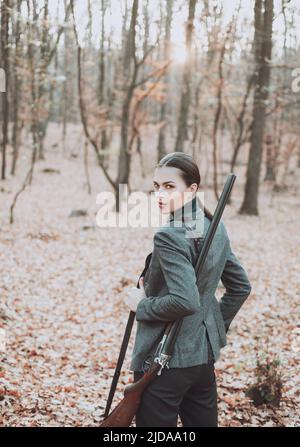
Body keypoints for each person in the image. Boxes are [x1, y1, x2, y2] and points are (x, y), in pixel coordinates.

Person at [124, 152, 252, 427]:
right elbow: (240, 288)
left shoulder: (169, 234)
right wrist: (209, 330)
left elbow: (185, 300)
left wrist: (141, 305)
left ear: (192, 189)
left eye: (170, 186)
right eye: (156, 186)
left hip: (164, 362)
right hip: (201, 361)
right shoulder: (213, 226)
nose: (160, 193)